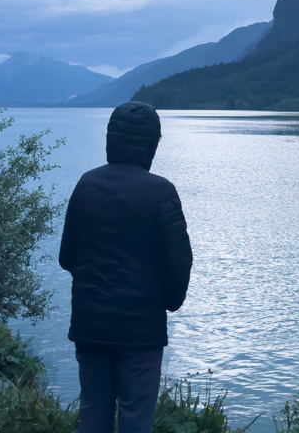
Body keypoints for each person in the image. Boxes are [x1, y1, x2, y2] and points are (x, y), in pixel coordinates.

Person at [59, 102, 193, 433]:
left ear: (110, 140)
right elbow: (180, 262)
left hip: (90, 324)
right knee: (136, 418)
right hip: (140, 331)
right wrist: (169, 302)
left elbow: (67, 257)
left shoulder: (86, 184)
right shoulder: (161, 192)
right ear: (152, 144)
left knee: (92, 412)